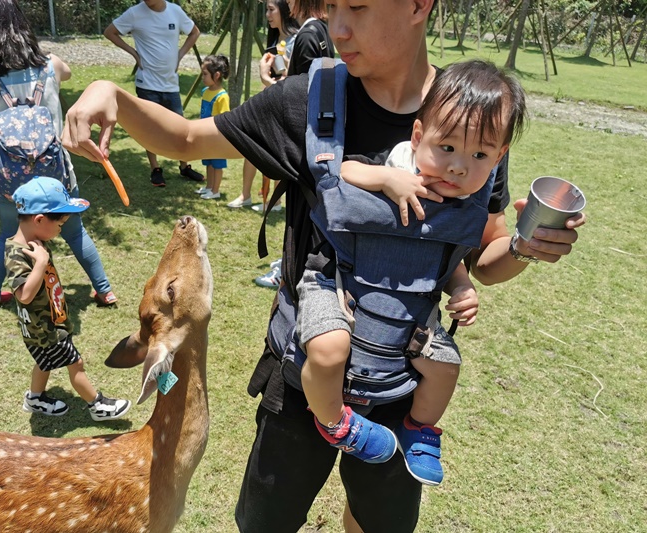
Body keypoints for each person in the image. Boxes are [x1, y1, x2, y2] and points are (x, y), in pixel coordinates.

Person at [60, 0, 585, 530]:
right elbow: (186, 139)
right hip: (303, 374)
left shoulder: (474, 114)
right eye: (332, 6)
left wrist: (524, 248)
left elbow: (485, 258)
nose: (337, 26)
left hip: (401, 386)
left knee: (375, 522)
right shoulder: (307, 98)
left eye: (356, 6)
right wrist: (115, 97)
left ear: (419, 6)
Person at [297, 59, 527, 487]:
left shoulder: (465, 201)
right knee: (328, 349)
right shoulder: (399, 164)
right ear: (418, 137)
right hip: (334, 283)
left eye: (479, 155)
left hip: (407, 315)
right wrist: (385, 178)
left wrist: (463, 288)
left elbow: (451, 258)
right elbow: (338, 172)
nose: (459, 167)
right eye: (447, 148)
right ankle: (333, 422)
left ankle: (420, 428)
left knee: (446, 367)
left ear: (499, 159)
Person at [0, 0, 118, 313]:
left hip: (9, 176)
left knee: (9, 233)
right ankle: (104, 290)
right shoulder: (50, 64)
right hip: (54, 173)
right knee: (75, 231)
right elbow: (69, 73)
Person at [6, 176, 132, 421]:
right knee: (76, 364)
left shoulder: (36, 240)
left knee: (45, 363)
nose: (61, 229)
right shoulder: (16, 253)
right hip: (45, 328)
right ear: (39, 219)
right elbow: (24, 295)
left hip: (47, 322)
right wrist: (41, 263)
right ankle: (97, 405)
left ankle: (34, 398)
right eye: (60, 223)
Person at [253, 0, 335, 288]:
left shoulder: (309, 35)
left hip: (305, 147)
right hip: (318, 144)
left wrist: (268, 81)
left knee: (301, 221)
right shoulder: (322, 30)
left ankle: (291, 272)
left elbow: (304, 100)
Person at [103, 0, 204, 188]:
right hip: (147, 83)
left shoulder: (175, 11)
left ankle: (184, 166)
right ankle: (155, 169)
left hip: (171, 84)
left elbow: (194, 32)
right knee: (150, 129)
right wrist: (134, 53)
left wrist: (180, 54)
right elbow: (110, 32)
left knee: (180, 129)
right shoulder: (134, 13)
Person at [227, 0, 299, 210]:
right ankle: (245, 195)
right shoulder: (275, 38)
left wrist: (271, 79)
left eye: (270, 9)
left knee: (276, 152)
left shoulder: (298, 39)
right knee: (251, 146)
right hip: (268, 98)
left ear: (284, 10)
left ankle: (274, 201)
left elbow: (293, 79)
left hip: (284, 104)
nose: (267, 14)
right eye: (266, 10)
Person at [194, 55, 230, 200]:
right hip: (206, 135)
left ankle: (216, 191)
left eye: (205, 74)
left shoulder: (222, 96)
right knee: (208, 162)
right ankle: (209, 187)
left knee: (217, 165)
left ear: (216, 75)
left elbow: (224, 118)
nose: (202, 77)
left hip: (217, 137)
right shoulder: (205, 92)